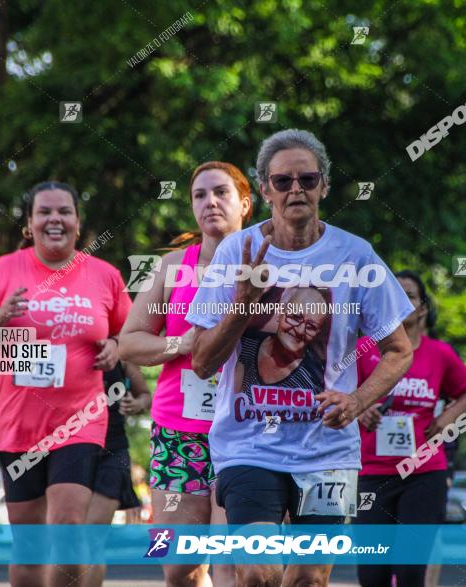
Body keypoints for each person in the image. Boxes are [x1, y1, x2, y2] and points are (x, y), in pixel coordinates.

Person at [187, 129, 414, 587]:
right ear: (265, 188)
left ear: (324, 186)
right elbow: (202, 362)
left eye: (307, 180)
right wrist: (243, 305)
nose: (296, 190)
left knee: (309, 579)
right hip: (247, 448)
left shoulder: (355, 255)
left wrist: (356, 400)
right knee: (257, 575)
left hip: (328, 453)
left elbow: (398, 350)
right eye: (283, 181)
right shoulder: (236, 252)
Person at [0, 181, 132, 587]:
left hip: (80, 421)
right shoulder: (2, 271)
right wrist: (0, 316)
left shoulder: (103, 275)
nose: (54, 219)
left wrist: (115, 346)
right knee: (29, 548)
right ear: (30, 223)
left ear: (77, 222)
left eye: (64, 211)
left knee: (69, 529)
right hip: (19, 424)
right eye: (44, 212)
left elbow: (133, 335)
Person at [119, 161, 252, 587]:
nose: (209, 202)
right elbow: (130, 341)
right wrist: (184, 344)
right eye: (199, 195)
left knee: (233, 560)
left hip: (247, 432)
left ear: (245, 203)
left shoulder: (267, 267)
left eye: (221, 192)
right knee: (179, 566)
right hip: (178, 433)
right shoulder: (173, 267)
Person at [355, 270, 466, 587]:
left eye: (409, 295)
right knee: (373, 574)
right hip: (371, 474)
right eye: (394, 293)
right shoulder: (363, 350)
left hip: (424, 473)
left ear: (423, 308)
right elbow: (339, 395)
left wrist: (447, 418)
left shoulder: (440, 354)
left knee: (410, 570)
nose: (401, 300)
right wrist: (360, 408)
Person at [84, 359, 151, 587]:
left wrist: (137, 403)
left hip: (112, 451)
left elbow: (145, 395)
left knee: (92, 536)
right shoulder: (61, 344)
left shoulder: (121, 353)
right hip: (67, 449)